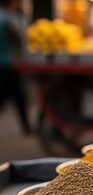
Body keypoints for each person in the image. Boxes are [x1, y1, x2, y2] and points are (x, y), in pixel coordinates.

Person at [0, 0, 30, 134]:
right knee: (16, 95)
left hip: (6, 63)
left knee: (15, 95)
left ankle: (26, 126)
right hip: (7, 63)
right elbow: (19, 39)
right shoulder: (8, 18)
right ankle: (26, 126)